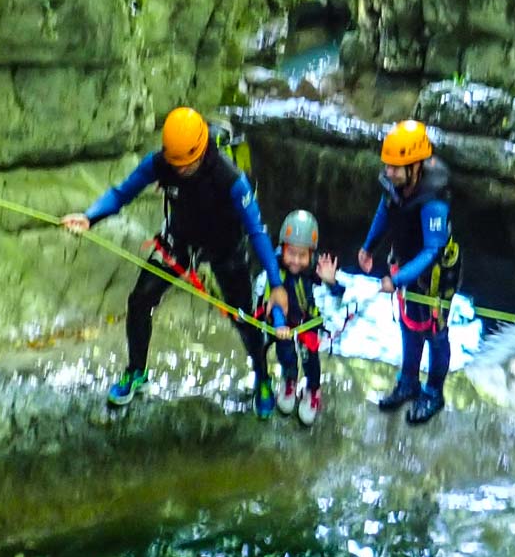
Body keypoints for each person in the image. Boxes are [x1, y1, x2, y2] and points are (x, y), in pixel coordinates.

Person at [63, 107, 290, 418]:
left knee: (244, 317)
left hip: (225, 247)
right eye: (176, 164)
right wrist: (90, 217)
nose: (180, 170)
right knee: (140, 300)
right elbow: (122, 193)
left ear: (202, 150)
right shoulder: (162, 162)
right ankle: (136, 372)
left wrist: (276, 284)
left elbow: (257, 231)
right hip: (179, 243)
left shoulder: (230, 179)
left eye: (187, 164)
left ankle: (263, 377)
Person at [358, 119, 459, 426]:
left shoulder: (433, 198)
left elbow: (432, 251)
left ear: (415, 166)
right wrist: (368, 247)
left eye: (395, 168)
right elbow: (384, 209)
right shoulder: (397, 183)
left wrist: (396, 280)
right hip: (404, 262)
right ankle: (408, 381)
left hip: (435, 275)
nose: (389, 172)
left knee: (434, 331)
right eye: (387, 166)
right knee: (408, 324)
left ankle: (434, 392)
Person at [268, 209, 341, 427]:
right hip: (286, 324)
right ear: (282, 249)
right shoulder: (276, 267)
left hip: (309, 324)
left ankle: (312, 389)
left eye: (302, 255)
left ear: (311, 254)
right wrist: (279, 324)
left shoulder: (316, 270)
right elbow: (272, 295)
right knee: (285, 352)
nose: (296, 261)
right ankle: (289, 380)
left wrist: (331, 282)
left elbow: (337, 302)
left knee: (310, 359)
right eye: (292, 253)